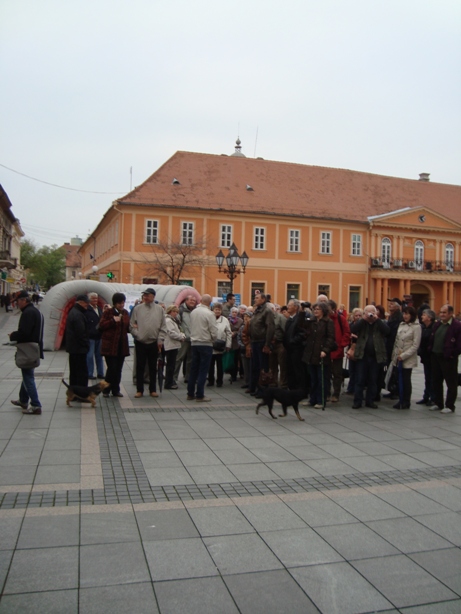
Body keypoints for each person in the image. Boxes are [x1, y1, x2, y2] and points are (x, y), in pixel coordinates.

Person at [9, 290, 44, 415]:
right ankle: (23, 400)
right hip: (34, 348)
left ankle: (35, 405)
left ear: (24, 300)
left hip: (28, 349)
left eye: (18, 301)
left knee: (28, 377)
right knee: (27, 375)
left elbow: (25, 333)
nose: (17, 304)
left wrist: (13, 335)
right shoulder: (35, 311)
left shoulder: (28, 313)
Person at [130, 288, 167, 398]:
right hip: (141, 342)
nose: (145, 297)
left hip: (154, 342)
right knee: (140, 367)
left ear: (153, 296)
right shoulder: (137, 309)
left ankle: (152, 389)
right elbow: (132, 325)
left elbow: (163, 326)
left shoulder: (159, 310)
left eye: (148, 295)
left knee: (153, 367)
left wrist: (160, 339)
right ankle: (139, 390)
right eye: (144, 295)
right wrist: (138, 334)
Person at [351, 305, 390, 409]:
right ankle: (357, 401)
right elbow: (353, 329)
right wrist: (363, 320)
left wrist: (377, 320)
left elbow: (387, 332)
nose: (370, 314)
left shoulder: (380, 323)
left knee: (373, 380)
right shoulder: (361, 322)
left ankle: (370, 400)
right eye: (368, 312)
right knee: (360, 379)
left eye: (372, 312)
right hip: (362, 355)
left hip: (375, 356)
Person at [428, 304, 461, 414]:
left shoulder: (457, 326)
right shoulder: (438, 324)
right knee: (436, 381)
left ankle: (450, 405)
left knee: (451, 382)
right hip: (436, 356)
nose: (441, 314)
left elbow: (459, 344)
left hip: (448, 358)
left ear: (451, 314)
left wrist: (452, 354)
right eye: (441, 312)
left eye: (444, 312)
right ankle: (438, 403)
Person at [301, 302, 335, 408]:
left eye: (318, 309)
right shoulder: (311, 321)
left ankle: (321, 400)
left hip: (321, 354)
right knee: (313, 378)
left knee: (322, 379)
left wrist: (325, 350)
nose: (315, 311)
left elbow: (330, 338)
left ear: (323, 311)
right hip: (311, 353)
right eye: (314, 309)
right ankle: (312, 399)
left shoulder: (328, 322)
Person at [187, 294, 218, 402]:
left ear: (200, 301)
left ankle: (190, 393)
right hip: (206, 343)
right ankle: (200, 394)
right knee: (203, 370)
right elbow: (213, 330)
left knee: (193, 368)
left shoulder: (193, 312)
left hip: (194, 342)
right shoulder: (210, 314)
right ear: (210, 303)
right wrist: (213, 339)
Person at [99, 292, 130, 398]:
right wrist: (112, 320)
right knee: (112, 368)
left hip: (122, 346)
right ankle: (106, 389)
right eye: (119, 303)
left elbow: (127, 327)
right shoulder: (108, 312)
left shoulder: (125, 313)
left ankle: (116, 390)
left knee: (118, 369)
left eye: (123, 302)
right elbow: (101, 325)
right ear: (115, 303)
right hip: (110, 346)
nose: (122, 305)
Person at [390, 306, 422, 409]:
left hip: (407, 357)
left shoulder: (416, 327)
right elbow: (396, 341)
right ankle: (400, 399)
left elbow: (415, 345)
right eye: (404, 314)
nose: (405, 316)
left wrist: (403, 355)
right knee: (399, 379)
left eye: (407, 314)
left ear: (412, 315)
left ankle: (406, 401)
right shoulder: (401, 324)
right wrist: (394, 356)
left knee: (406, 380)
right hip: (397, 356)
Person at [248, 293, 275, 397]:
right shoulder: (257, 310)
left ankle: (263, 391)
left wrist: (267, 344)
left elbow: (270, 327)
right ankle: (255, 387)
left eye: (257, 298)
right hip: (255, 341)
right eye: (255, 298)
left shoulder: (267, 311)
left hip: (262, 341)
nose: (255, 299)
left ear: (263, 299)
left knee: (263, 367)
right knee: (255, 366)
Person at [328, 299, 351, 402]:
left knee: (337, 373)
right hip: (326, 350)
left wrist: (341, 345)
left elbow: (347, 333)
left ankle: (336, 393)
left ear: (333, 308)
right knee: (326, 373)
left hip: (337, 350)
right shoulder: (324, 319)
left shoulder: (341, 319)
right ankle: (327, 392)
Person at [65, 294, 90, 386]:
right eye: (86, 303)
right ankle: (81, 393)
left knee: (74, 372)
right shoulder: (78, 315)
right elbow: (81, 333)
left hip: (74, 348)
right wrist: (86, 344)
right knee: (81, 373)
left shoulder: (74, 312)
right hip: (79, 349)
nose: (87, 304)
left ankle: (74, 392)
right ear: (80, 302)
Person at [283, 299, 307, 391]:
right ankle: (292, 387)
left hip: (296, 349)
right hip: (289, 349)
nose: (287, 307)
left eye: (290, 305)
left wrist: (293, 341)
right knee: (290, 369)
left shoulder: (299, 318)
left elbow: (302, 333)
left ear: (296, 307)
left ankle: (300, 389)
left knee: (298, 369)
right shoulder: (290, 318)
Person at [383, 298, 404, 399]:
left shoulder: (398, 317)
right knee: (391, 368)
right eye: (389, 304)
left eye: (391, 304)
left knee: (395, 369)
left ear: (397, 306)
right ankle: (392, 389)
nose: (389, 305)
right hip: (389, 345)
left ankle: (396, 391)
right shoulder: (392, 316)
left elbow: (392, 331)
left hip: (394, 346)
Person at [174, 294, 197, 384]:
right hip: (183, 339)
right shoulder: (181, 310)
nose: (192, 302)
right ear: (186, 301)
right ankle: (173, 377)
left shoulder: (195, 311)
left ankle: (188, 377)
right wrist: (181, 334)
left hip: (193, 338)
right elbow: (177, 323)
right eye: (191, 300)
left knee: (191, 359)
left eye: (194, 301)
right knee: (179, 358)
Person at [207, 303, 232, 387]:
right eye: (216, 309)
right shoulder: (209, 319)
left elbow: (228, 333)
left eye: (219, 310)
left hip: (221, 346)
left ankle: (219, 381)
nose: (217, 311)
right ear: (212, 310)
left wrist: (228, 344)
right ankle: (210, 380)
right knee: (210, 365)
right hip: (210, 345)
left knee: (220, 365)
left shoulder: (225, 320)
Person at [416, 308, 436, 406]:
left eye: (424, 315)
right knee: (427, 377)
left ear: (429, 317)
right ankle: (426, 396)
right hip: (425, 357)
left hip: (432, 357)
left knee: (432, 378)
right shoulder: (423, 327)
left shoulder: (434, 328)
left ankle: (433, 397)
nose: (422, 316)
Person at [164, 305, 186, 390]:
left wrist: (182, 335)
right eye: (174, 312)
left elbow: (179, 330)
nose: (176, 313)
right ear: (170, 311)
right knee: (170, 364)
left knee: (172, 364)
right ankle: (168, 382)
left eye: (177, 312)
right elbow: (171, 332)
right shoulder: (168, 320)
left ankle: (170, 380)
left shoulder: (173, 320)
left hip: (174, 344)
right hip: (170, 345)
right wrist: (181, 337)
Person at [86, 292, 105, 380]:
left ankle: (100, 373)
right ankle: (90, 373)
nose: (95, 300)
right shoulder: (87, 310)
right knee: (89, 356)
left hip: (99, 336)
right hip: (91, 337)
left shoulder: (99, 309)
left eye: (96, 298)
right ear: (89, 299)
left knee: (99, 355)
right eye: (93, 298)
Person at [228, 306, 243, 381]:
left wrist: (235, 332)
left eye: (235, 312)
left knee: (237, 359)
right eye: (233, 312)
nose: (234, 313)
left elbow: (241, 330)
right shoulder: (227, 320)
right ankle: (232, 375)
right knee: (231, 358)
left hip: (237, 342)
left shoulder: (240, 320)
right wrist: (229, 332)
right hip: (229, 341)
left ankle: (238, 374)